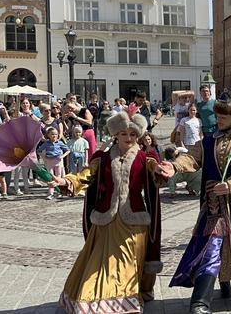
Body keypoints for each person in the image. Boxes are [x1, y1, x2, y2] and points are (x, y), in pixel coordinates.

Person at [158, 101, 231, 314]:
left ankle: (225, 283)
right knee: (210, 247)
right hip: (212, 207)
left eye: (223, 117)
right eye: (217, 116)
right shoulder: (208, 141)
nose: (218, 120)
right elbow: (192, 158)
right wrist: (174, 166)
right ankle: (200, 302)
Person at [51, 111, 163, 313]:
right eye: (123, 134)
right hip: (105, 222)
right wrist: (66, 181)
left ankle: (125, 300)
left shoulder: (145, 158)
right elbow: (85, 176)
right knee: (99, 265)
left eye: (132, 134)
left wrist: (163, 170)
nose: (128, 138)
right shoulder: (101, 159)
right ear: (115, 136)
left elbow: (157, 172)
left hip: (134, 223)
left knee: (127, 264)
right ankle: (95, 299)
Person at [38, 127, 69, 200]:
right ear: (48, 135)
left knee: (58, 178)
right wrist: (44, 157)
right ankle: (51, 193)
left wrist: (62, 156)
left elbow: (68, 150)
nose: (54, 136)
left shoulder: (60, 143)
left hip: (58, 162)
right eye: (52, 134)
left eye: (56, 134)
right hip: (49, 162)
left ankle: (60, 192)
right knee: (51, 177)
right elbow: (39, 151)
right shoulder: (46, 143)